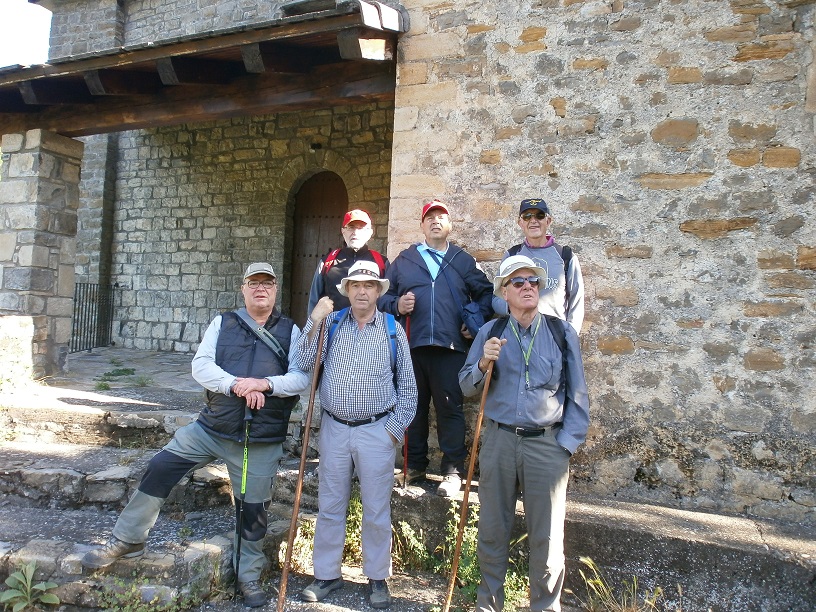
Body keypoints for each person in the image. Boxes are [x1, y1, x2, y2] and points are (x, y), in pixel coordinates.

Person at [81, 262, 309, 608]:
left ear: (275, 289)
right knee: (161, 466)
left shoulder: (291, 330)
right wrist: (235, 384)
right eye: (253, 283)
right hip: (212, 427)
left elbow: (301, 377)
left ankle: (248, 574)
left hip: (260, 436)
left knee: (253, 508)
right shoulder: (223, 323)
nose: (260, 288)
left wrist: (264, 384)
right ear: (243, 289)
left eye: (267, 283)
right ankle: (129, 539)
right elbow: (200, 366)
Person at [459, 255, 590, 612]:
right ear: (505, 292)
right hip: (499, 441)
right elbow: (466, 387)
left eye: (533, 281)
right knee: (492, 530)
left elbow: (578, 393)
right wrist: (483, 362)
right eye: (518, 282)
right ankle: (489, 605)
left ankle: (544, 607)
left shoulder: (561, 332)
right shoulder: (491, 332)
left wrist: (565, 445)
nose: (528, 287)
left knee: (547, 538)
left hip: (547, 445)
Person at [297, 260, 417, 609]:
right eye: (356, 285)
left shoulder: (393, 330)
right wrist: (314, 320)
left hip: (377, 431)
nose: (362, 291)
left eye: (369, 285)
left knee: (376, 509)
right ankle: (326, 574)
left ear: (378, 291)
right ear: (347, 290)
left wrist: (392, 432)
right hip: (334, 429)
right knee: (330, 505)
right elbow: (303, 362)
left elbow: (409, 389)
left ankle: (377, 578)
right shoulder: (331, 323)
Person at [380, 200, 493, 497]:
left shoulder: (462, 260)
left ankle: (452, 472)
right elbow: (382, 296)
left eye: (441, 216)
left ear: (450, 225)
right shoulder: (405, 259)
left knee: (449, 409)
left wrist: (475, 321)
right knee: (413, 408)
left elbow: (486, 294)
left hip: (450, 346)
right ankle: (413, 465)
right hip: (412, 346)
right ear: (422, 225)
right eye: (429, 217)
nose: (435, 221)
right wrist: (397, 304)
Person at [492, 198, 585, 333]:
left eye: (539, 215)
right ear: (520, 223)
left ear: (548, 221)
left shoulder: (565, 256)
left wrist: (571, 336)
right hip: (518, 334)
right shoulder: (512, 255)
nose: (533, 220)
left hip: (554, 336)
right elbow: (496, 299)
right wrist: (514, 307)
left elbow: (577, 302)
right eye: (527, 216)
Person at [306, 208, 389, 317]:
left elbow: (388, 300)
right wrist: (312, 324)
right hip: (333, 326)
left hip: (370, 325)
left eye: (361, 228)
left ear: (370, 233)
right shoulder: (327, 262)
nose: (355, 232)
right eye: (351, 227)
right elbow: (314, 300)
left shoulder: (382, 263)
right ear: (343, 231)